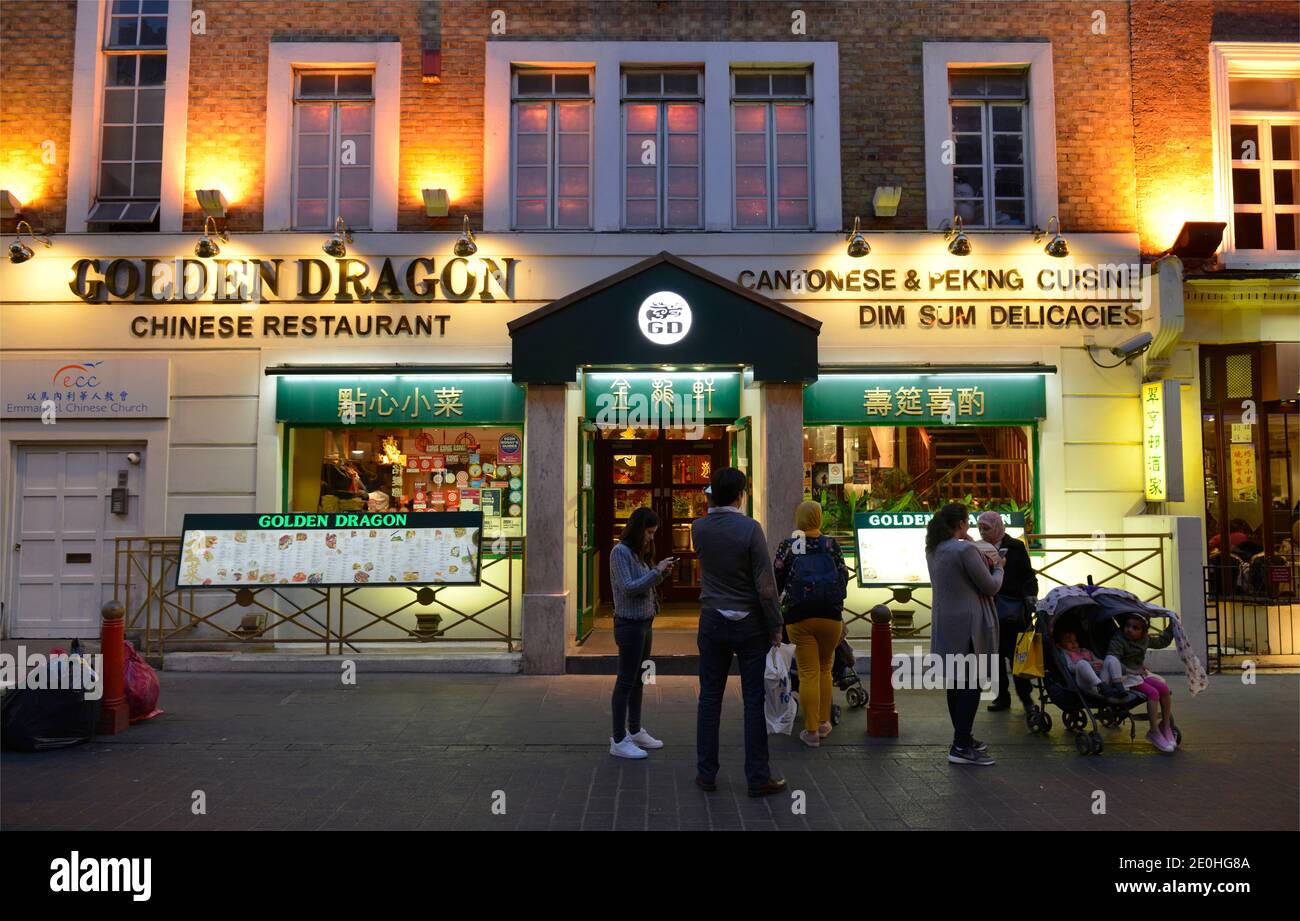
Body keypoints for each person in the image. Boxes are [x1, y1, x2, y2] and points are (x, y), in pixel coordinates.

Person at [692, 467, 786, 796]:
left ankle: (706, 773)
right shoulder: (750, 529)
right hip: (750, 623)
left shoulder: (698, 528)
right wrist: (776, 624)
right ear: (740, 495)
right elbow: (765, 583)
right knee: (753, 700)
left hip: (713, 619)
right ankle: (758, 776)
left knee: (710, 698)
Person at [925, 503, 1004, 766]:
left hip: (945, 623)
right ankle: (960, 745)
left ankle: (963, 737)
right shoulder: (965, 549)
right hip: (970, 626)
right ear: (960, 524)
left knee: (957, 682)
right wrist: (999, 566)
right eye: (968, 522)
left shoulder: (934, 549)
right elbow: (990, 586)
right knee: (972, 683)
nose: (969, 527)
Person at [772, 500, 849, 748]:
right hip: (830, 616)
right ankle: (825, 722)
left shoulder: (790, 544)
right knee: (826, 668)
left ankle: (811, 730)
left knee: (808, 672)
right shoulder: (831, 544)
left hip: (799, 617)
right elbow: (843, 577)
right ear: (819, 518)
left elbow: (777, 578)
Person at [607, 506, 675, 759]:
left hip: (645, 622)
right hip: (629, 624)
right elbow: (628, 587)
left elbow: (644, 586)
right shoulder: (620, 553)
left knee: (638, 679)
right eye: (648, 532)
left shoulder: (637, 554)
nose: (651, 538)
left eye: (653, 533)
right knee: (625, 680)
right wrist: (656, 571)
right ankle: (618, 738)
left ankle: (634, 730)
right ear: (637, 529)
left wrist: (660, 574)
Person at [976, 511, 1039, 714]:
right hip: (989, 608)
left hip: (1013, 610)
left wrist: (1030, 598)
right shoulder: (978, 548)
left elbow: (1027, 576)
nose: (983, 532)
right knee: (993, 656)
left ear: (997, 526)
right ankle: (1001, 697)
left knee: (1017, 655)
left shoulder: (1015, 546)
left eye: (986, 528)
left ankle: (1026, 698)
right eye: (980, 528)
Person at [1106, 613, 1177, 752]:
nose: (1129, 630)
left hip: (1139, 674)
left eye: (1135, 628)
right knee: (1153, 693)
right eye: (1127, 626)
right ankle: (1154, 731)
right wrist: (1131, 671)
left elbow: (1162, 641)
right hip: (1124, 676)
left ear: (1143, 632)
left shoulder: (1144, 639)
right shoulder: (1119, 640)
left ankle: (1166, 725)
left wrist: (1172, 625)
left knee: (1164, 688)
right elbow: (1112, 661)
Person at [1058, 629, 1127, 704]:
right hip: (1087, 683)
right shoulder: (1066, 653)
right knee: (1082, 663)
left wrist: (1100, 662)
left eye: (1075, 641)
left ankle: (1119, 686)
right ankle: (1101, 686)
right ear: (1059, 645)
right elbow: (1070, 668)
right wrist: (1090, 664)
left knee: (1110, 658)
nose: (1073, 643)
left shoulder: (1086, 651)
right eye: (1069, 641)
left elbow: (1097, 661)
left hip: (1102, 680)